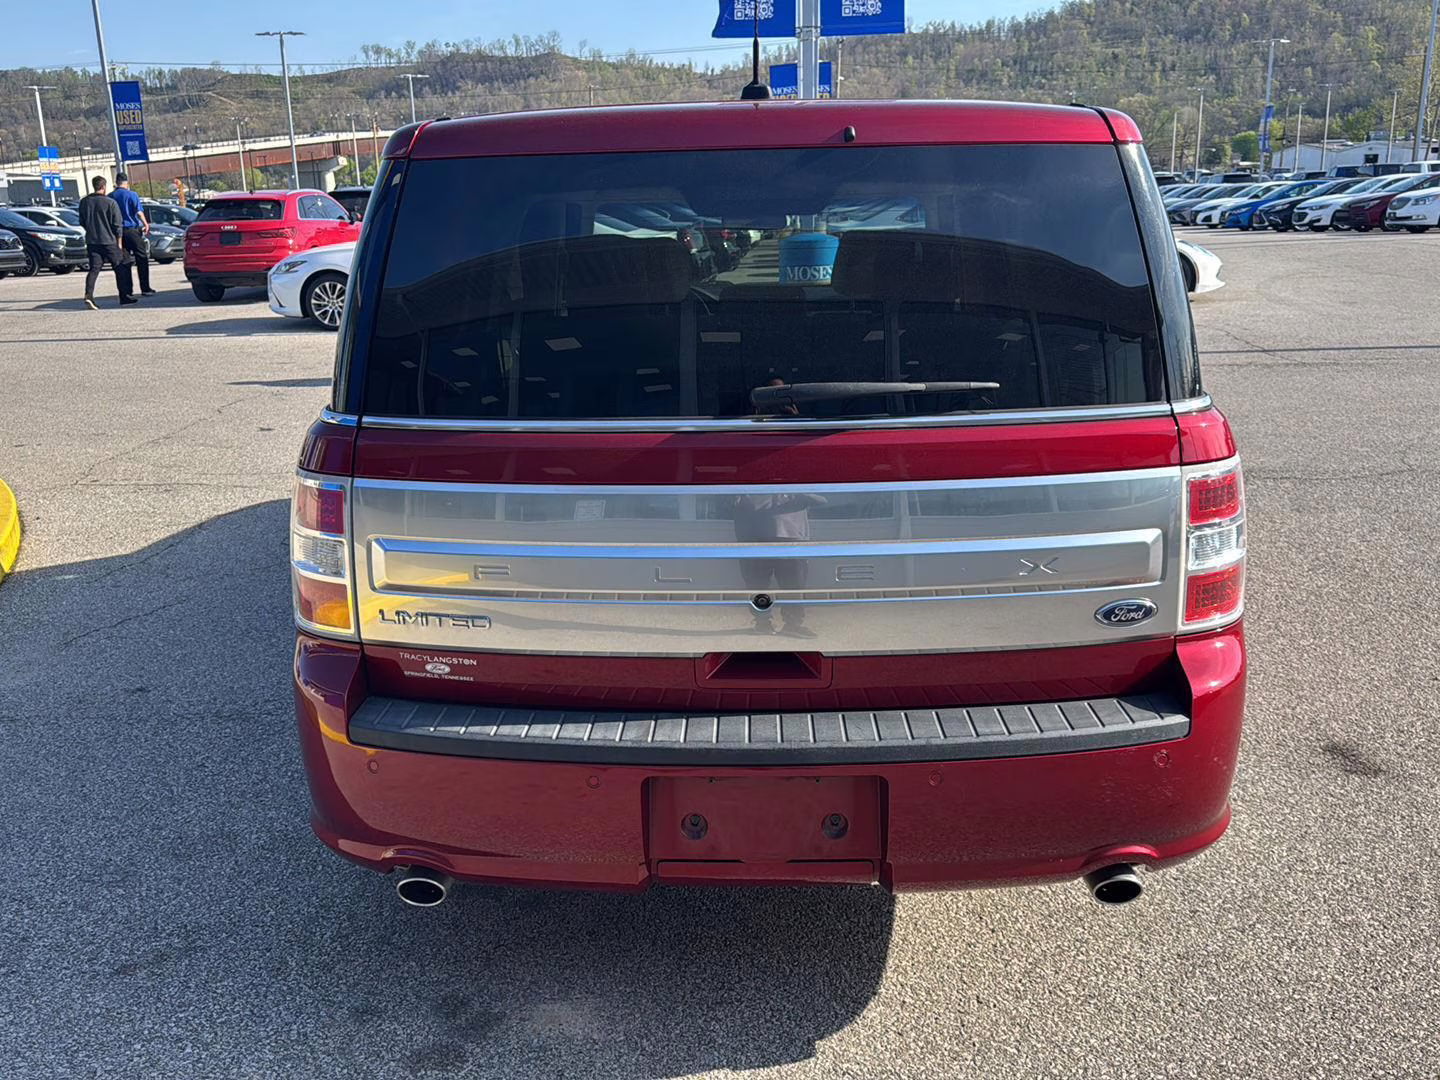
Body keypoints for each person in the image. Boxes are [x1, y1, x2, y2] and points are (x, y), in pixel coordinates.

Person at [77, 176, 135, 308]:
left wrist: (91, 230)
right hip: (109, 241)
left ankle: (88, 295)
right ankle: (124, 296)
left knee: (94, 269)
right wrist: (119, 242)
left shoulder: (84, 202)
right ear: (104, 187)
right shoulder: (110, 202)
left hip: (92, 241)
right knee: (120, 267)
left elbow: (82, 221)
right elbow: (117, 224)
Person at [110, 172, 155, 296]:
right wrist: (146, 224)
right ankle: (145, 288)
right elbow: (139, 212)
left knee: (124, 261)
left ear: (116, 182)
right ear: (127, 183)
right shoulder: (132, 195)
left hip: (118, 232)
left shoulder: (110, 196)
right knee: (141, 258)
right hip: (132, 230)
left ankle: (128, 290)